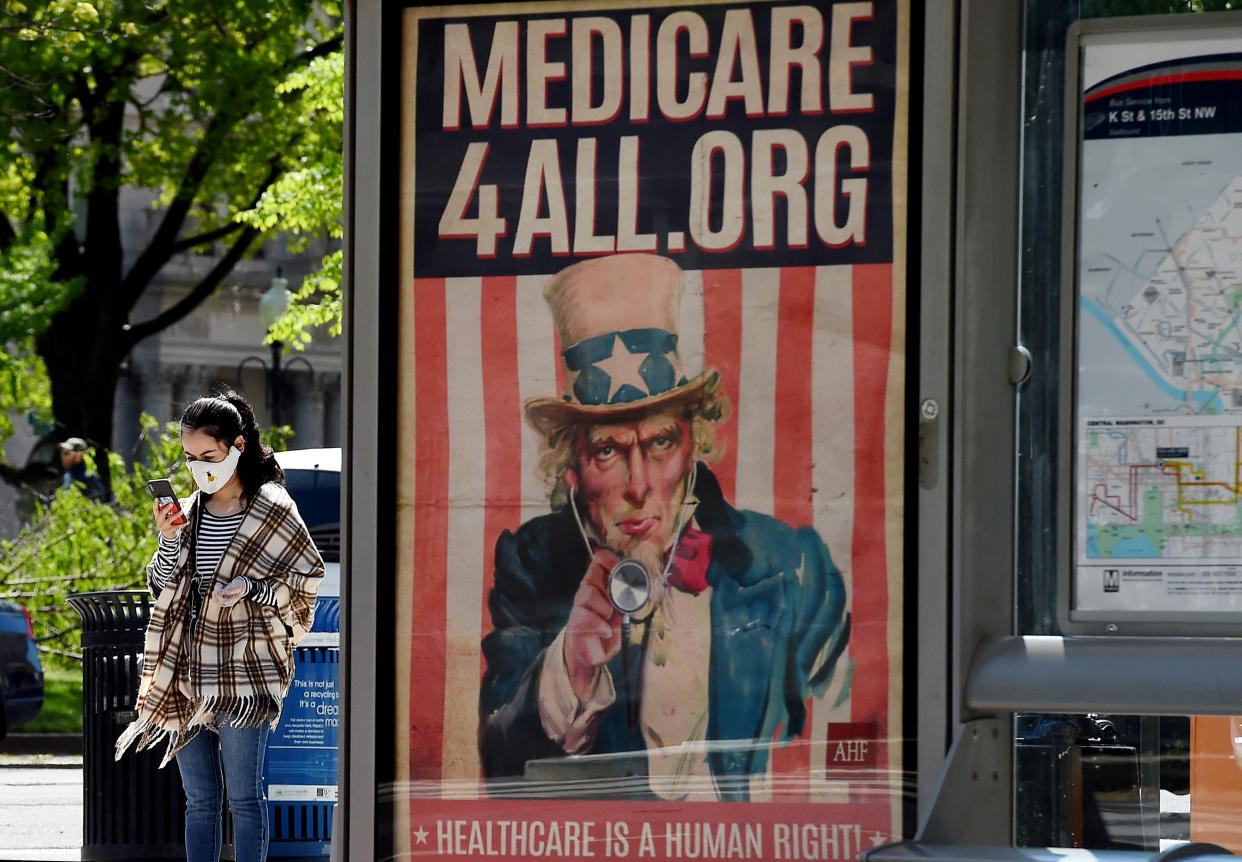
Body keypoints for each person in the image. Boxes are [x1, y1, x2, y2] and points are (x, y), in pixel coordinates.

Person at [479, 254, 850, 801]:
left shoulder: (791, 564)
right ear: (573, 469)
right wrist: (569, 668)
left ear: (693, 444)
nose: (639, 484)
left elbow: (845, 747)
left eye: (660, 443)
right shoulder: (532, 563)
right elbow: (499, 769)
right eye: (608, 450)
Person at [115, 391, 325, 862]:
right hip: (186, 669)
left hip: (245, 672)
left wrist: (253, 588)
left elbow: (306, 583)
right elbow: (162, 583)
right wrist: (169, 539)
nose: (198, 467)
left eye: (208, 456)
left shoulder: (273, 508)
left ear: (238, 447)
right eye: (190, 457)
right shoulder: (188, 511)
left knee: (245, 799)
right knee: (200, 801)